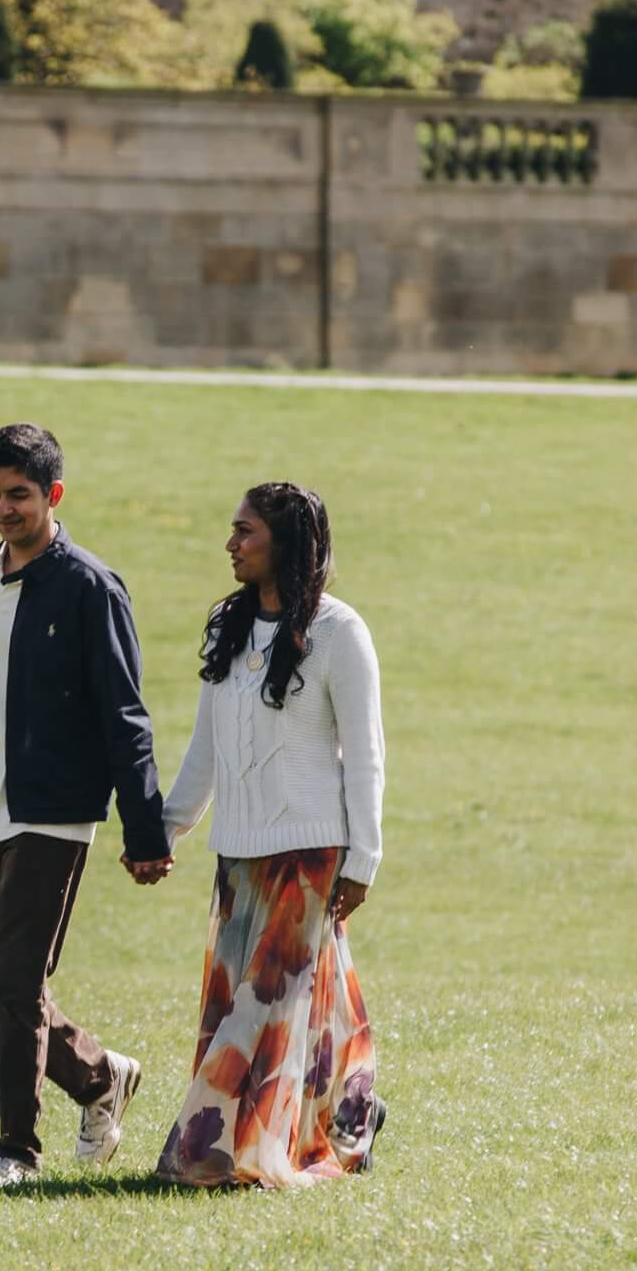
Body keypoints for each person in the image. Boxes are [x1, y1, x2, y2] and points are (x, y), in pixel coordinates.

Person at [0, 423, 173, 1188]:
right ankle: (98, 1077)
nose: (2, 509)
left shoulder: (91, 587)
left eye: (18, 495)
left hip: (52, 811)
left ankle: (15, 1149)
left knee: (17, 978)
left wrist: (145, 829)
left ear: (53, 495)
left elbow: (126, 714)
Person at [150, 482, 384, 1189]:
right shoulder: (227, 628)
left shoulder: (341, 632)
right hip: (239, 855)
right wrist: (165, 830)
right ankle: (352, 1112)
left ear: (283, 543)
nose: (231, 543)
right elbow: (206, 750)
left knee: (265, 1007)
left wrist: (364, 857)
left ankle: (212, 1149)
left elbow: (365, 750)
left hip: (311, 853)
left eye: (245, 531)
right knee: (291, 999)